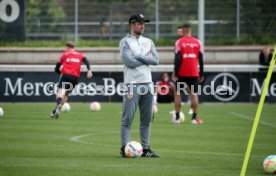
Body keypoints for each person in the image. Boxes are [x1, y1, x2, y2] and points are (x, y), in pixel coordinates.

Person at [119, 14, 159, 158]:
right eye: (140, 23)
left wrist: (140, 57)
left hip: (148, 84)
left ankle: (146, 149)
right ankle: (124, 148)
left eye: (144, 23)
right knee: (128, 118)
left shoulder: (148, 41)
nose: (143, 25)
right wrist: (146, 58)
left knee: (147, 119)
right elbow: (129, 62)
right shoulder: (125, 42)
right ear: (132, 24)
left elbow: (156, 60)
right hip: (132, 85)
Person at [51, 41, 93, 119]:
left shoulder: (64, 54)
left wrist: (58, 71)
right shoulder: (79, 55)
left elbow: (57, 67)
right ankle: (57, 109)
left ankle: (57, 107)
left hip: (66, 75)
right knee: (66, 94)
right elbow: (86, 61)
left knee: (61, 92)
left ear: (67, 47)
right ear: (74, 47)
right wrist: (89, 70)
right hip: (74, 78)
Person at [173, 24, 204, 125]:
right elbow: (201, 59)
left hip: (181, 72)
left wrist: (176, 72)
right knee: (193, 95)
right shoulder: (198, 42)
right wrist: (201, 73)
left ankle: (177, 118)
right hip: (194, 72)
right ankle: (194, 119)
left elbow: (178, 58)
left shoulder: (179, 42)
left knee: (178, 94)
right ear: (190, 30)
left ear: (183, 30)